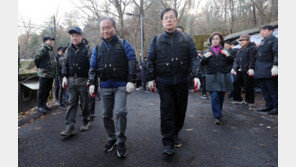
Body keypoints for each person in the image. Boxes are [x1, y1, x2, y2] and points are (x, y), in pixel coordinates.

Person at [146, 8, 201, 156]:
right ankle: (168, 141)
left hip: (182, 81)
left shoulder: (186, 39)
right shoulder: (156, 40)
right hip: (164, 82)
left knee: (180, 110)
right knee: (167, 110)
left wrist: (196, 75)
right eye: (166, 18)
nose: (169, 20)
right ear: (162, 22)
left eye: (171, 17)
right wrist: (150, 78)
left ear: (176, 20)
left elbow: (194, 58)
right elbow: (150, 60)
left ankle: (175, 131)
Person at [88, 17, 137, 158]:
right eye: (102, 28)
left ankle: (121, 141)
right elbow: (93, 67)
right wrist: (92, 83)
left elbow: (132, 61)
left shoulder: (124, 44)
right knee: (105, 115)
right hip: (104, 86)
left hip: (121, 85)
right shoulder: (97, 48)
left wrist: (131, 80)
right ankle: (112, 138)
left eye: (108, 27)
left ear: (115, 28)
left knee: (120, 112)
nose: (105, 30)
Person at [60, 27, 92, 137]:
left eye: (77, 36)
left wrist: (91, 80)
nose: (74, 38)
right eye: (72, 36)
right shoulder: (68, 49)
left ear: (81, 37)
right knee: (71, 103)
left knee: (85, 103)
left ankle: (85, 120)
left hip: (84, 80)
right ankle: (69, 127)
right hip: (71, 81)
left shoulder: (87, 48)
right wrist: (64, 76)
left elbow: (92, 65)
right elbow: (65, 63)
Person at [200, 31, 234, 125]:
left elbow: (231, 61)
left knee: (221, 96)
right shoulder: (207, 51)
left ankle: (218, 112)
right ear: (210, 41)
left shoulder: (225, 50)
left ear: (220, 40)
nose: (215, 41)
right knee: (214, 96)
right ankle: (217, 116)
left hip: (223, 75)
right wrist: (204, 58)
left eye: (217, 39)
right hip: (212, 75)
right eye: (213, 39)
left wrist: (227, 56)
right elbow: (202, 64)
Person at [254, 25, 278, 115]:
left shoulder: (275, 41)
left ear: (271, 31)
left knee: (273, 90)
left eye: (264, 30)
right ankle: (269, 105)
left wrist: (275, 65)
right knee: (264, 90)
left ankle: (277, 107)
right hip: (260, 69)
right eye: (261, 31)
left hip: (269, 68)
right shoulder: (263, 41)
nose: (261, 32)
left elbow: (277, 53)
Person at [231, 34, 257, 107]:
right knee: (235, 83)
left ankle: (250, 101)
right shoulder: (240, 49)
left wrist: (251, 68)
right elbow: (237, 60)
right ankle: (237, 99)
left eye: (243, 40)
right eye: (240, 40)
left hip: (248, 70)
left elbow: (253, 59)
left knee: (248, 86)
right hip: (239, 70)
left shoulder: (253, 48)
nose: (241, 42)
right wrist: (234, 68)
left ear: (248, 40)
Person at [34, 36, 56, 114]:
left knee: (47, 90)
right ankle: (39, 106)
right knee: (42, 90)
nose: (51, 41)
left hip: (50, 74)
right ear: (45, 41)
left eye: (52, 40)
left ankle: (44, 104)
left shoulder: (51, 50)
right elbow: (36, 58)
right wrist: (40, 67)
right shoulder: (43, 49)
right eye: (50, 40)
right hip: (44, 74)